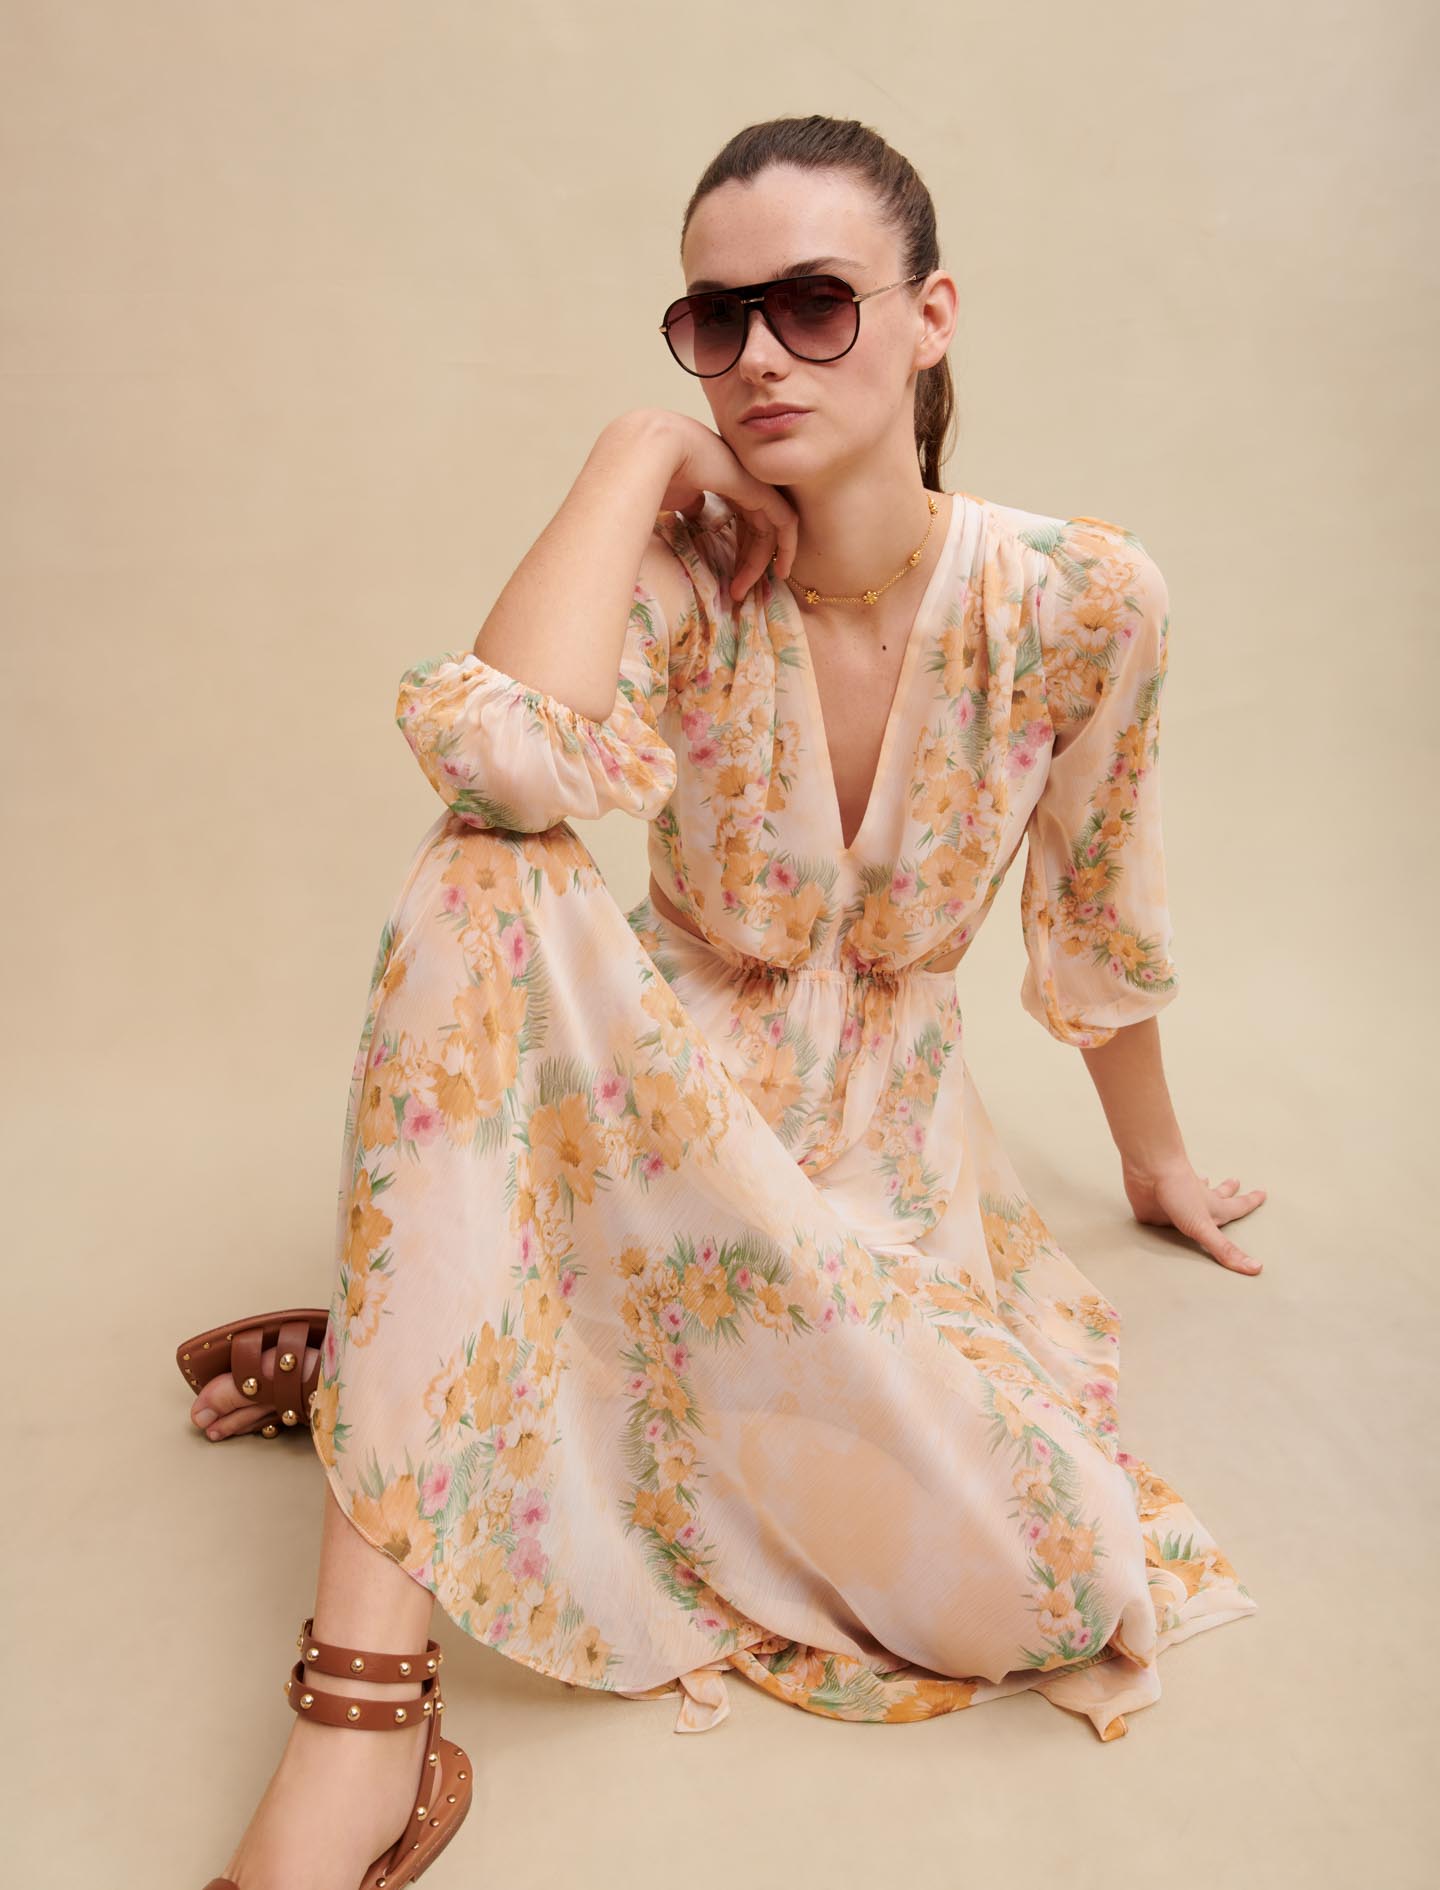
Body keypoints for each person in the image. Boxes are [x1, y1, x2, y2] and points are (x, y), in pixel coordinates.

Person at [186, 114, 1265, 1888]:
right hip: (653, 1098)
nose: (761, 354)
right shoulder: (688, 576)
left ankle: (415, 1334)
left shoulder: (1081, 600)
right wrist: (636, 454)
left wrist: (1153, 1162)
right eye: (715, 318)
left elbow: (1095, 915)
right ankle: (359, 1722)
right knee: (482, 864)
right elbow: (494, 758)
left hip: (880, 1155)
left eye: (815, 304)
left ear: (932, 318)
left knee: (1060, 1576)